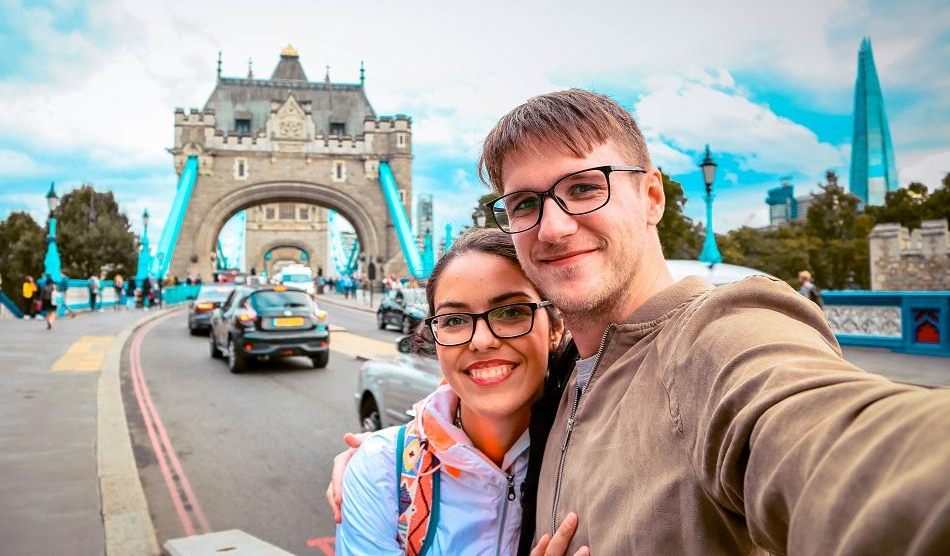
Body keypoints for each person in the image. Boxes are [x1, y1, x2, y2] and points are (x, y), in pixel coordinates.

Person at [330, 89, 950, 555]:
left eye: (584, 187)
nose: (553, 226)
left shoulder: (718, 334)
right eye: (525, 203)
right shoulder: (567, 374)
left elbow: (834, 439)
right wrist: (388, 458)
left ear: (653, 195)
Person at [335, 229, 565, 555]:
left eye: (512, 312)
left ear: (555, 328)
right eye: (454, 320)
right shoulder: (381, 471)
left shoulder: (594, 455)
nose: (482, 340)